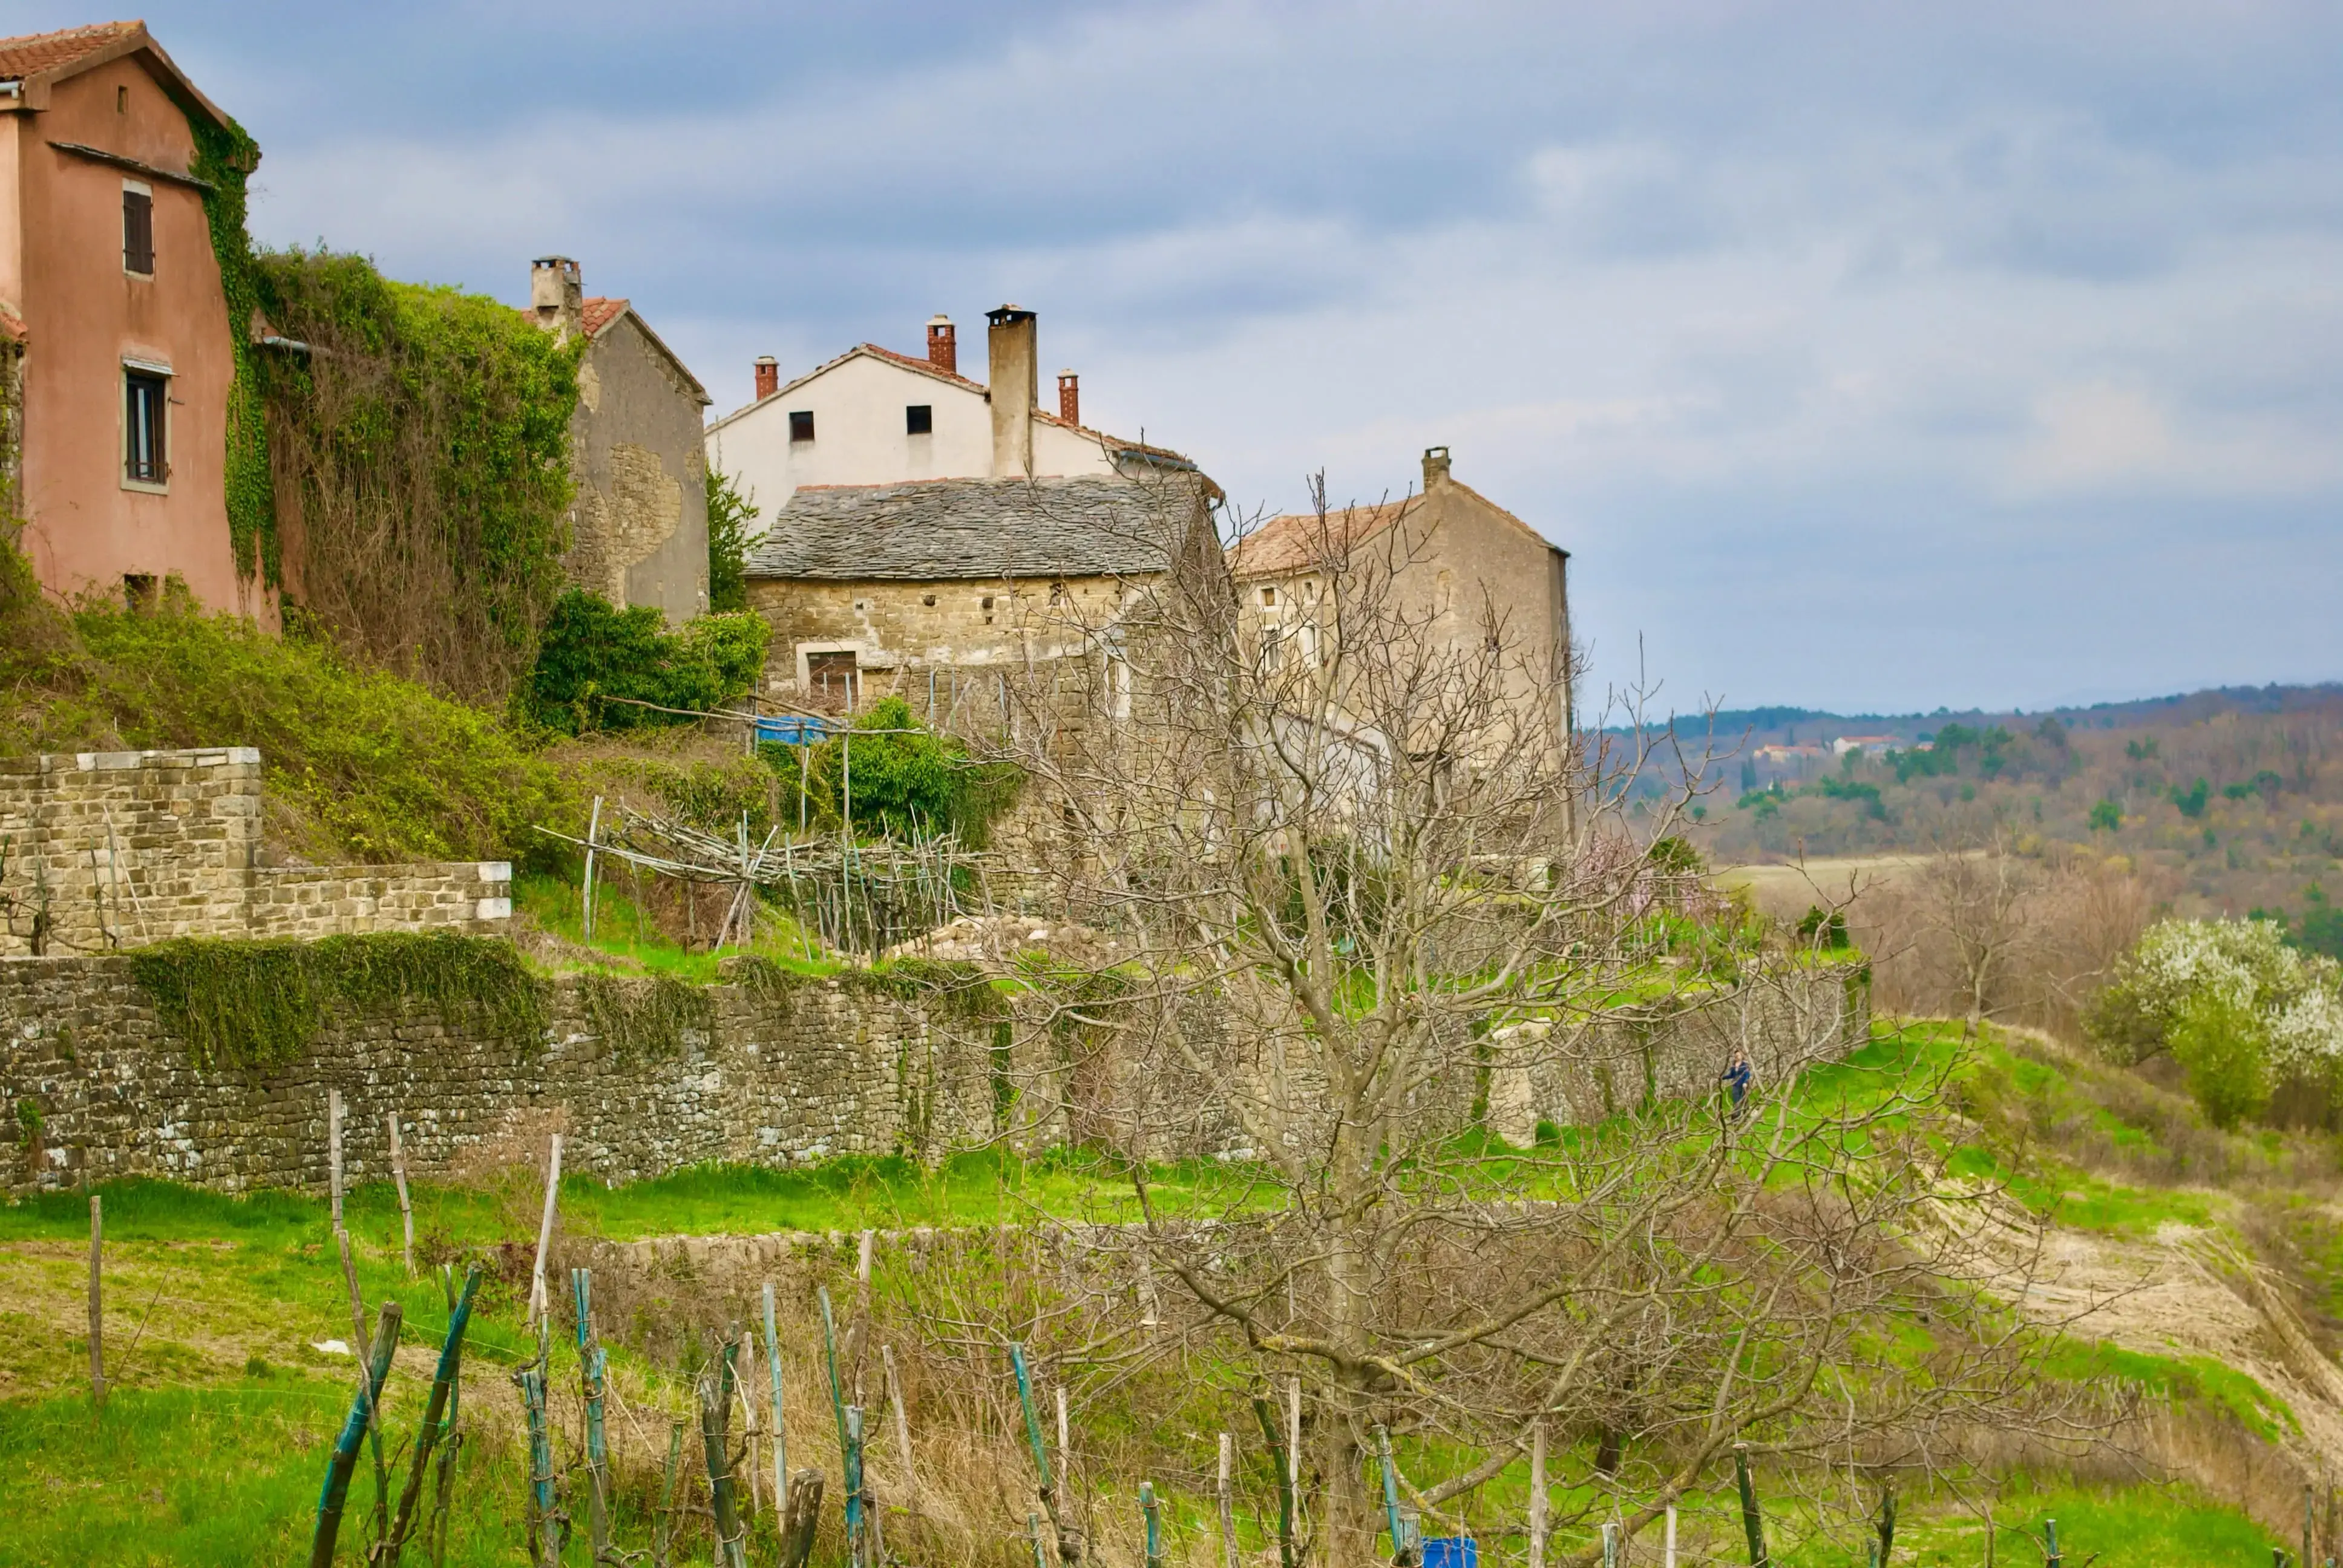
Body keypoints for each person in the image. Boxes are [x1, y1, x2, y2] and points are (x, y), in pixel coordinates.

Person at [1721, 1047, 1754, 1113]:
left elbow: (1747, 1075)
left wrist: (1745, 1082)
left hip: (1743, 1085)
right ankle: (1736, 1117)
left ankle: (1745, 1116)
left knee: (1744, 1101)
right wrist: (1722, 1078)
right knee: (1736, 1101)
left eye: (1738, 1055)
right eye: (1736, 1055)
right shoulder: (1733, 1066)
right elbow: (1732, 1075)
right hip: (1735, 1085)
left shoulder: (1745, 1065)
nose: (1737, 1056)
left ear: (1742, 1056)